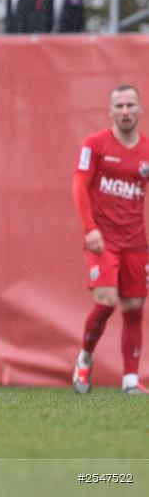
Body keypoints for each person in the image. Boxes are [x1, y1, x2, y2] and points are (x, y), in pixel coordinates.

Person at [72, 85, 148, 395]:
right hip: (103, 240)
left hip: (135, 243)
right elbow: (79, 187)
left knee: (134, 308)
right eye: (120, 106)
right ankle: (84, 359)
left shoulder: (146, 151)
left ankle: (130, 379)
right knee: (105, 302)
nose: (126, 111)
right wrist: (90, 229)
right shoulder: (95, 144)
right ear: (111, 112)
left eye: (131, 105)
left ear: (140, 110)